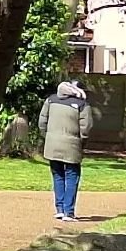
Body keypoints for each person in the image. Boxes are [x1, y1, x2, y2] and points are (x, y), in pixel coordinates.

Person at [38, 80, 93, 221]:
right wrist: (82, 143)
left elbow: (42, 123)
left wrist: (48, 137)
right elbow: (85, 129)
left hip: (52, 144)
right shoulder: (82, 105)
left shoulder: (50, 100)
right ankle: (69, 212)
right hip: (72, 145)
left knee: (57, 175)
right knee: (72, 175)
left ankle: (60, 209)